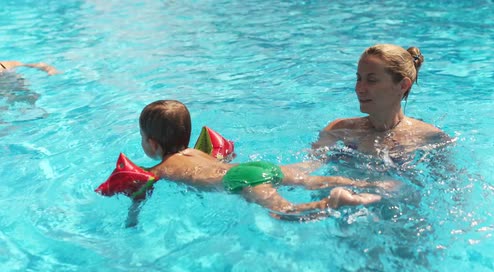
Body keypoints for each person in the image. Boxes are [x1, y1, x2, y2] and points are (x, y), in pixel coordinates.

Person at [135, 100, 397, 221]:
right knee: (310, 179)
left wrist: (132, 217)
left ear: (152, 144)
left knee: (283, 211)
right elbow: (226, 157)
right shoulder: (198, 153)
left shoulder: (161, 168)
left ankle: (333, 201)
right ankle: (367, 184)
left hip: (239, 179)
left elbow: (140, 191)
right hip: (256, 168)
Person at [312, 44, 453, 158]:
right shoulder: (339, 130)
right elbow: (308, 166)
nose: (359, 89)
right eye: (359, 79)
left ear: (403, 85)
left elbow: (449, 187)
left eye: (372, 80)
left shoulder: (431, 138)